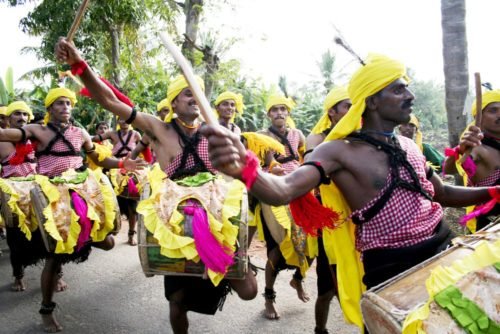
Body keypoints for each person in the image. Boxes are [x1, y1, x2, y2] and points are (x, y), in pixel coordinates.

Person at [202, 54, 499, 332]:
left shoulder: (408, 146)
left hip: (444, 252)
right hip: (392, 271)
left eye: (406, 89)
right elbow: (283, 190)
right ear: (371, 101)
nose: (411, 96)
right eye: (398, 90)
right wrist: (245, 169)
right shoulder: (336, 151)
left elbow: (443, 193)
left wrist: (495, 192)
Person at [55, 38, 257, 334]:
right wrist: (78, 64)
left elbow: (244, 175)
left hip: (216, 215)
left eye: (197, 95)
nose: (193, 99)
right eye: (187, 94)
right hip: (175, 217)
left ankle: (234, 263)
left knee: (249, 290)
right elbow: (110, 101)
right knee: (177, 303)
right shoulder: (157, 128)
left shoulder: (216, 131)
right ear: (174, 102)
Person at [0, 88, 143, 333]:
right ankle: (46, 309)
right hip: (54, 194)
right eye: (59, 103)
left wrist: (122, 163)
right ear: (49, 109)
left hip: (82, 189)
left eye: (68, 103)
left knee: (108, 242)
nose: (65, 107)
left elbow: (98, 159)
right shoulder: (37, 130)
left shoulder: (80, 132)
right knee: (55, 256)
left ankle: (79, 243)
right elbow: (6, 134)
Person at [252, 94, 313, 320]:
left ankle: (297, 278)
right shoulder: (261, 136)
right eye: (274, 109)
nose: (279, 113)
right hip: (273, 191)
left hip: (299, 189)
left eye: (282, 109)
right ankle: (269, 297)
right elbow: (258, 163)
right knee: (278, 246)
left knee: (312, 241)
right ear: (268, 114)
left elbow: (306, 160)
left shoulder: (298, 135)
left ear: (288, 113)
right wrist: (271, 168)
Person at [305, 86, 351, 334]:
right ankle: (320, 329)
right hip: (329, 224)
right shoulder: (317, 140)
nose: (355, 112)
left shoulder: (359, 137)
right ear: (332, 111)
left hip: (358, 222)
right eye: (348, 107)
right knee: (327, 290)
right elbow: (313, 173)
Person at [443, 89, 500, 232]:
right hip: (488, 229)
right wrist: (461, 150)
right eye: (493, 110)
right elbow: (450, 168)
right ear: (478, 117)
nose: (499, 114)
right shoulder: (477, 148)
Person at [92, 118, 142, 245]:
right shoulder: (111, 134)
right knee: (108, 201)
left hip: (131, 170)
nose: (125, 121)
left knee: (133, 205)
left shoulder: (136, 134)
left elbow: (145, 149)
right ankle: (108, 231)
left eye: (127, 119)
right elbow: (93, 139)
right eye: (121, 119)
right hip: (114, 168)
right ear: (118, 121)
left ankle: (132, 234)